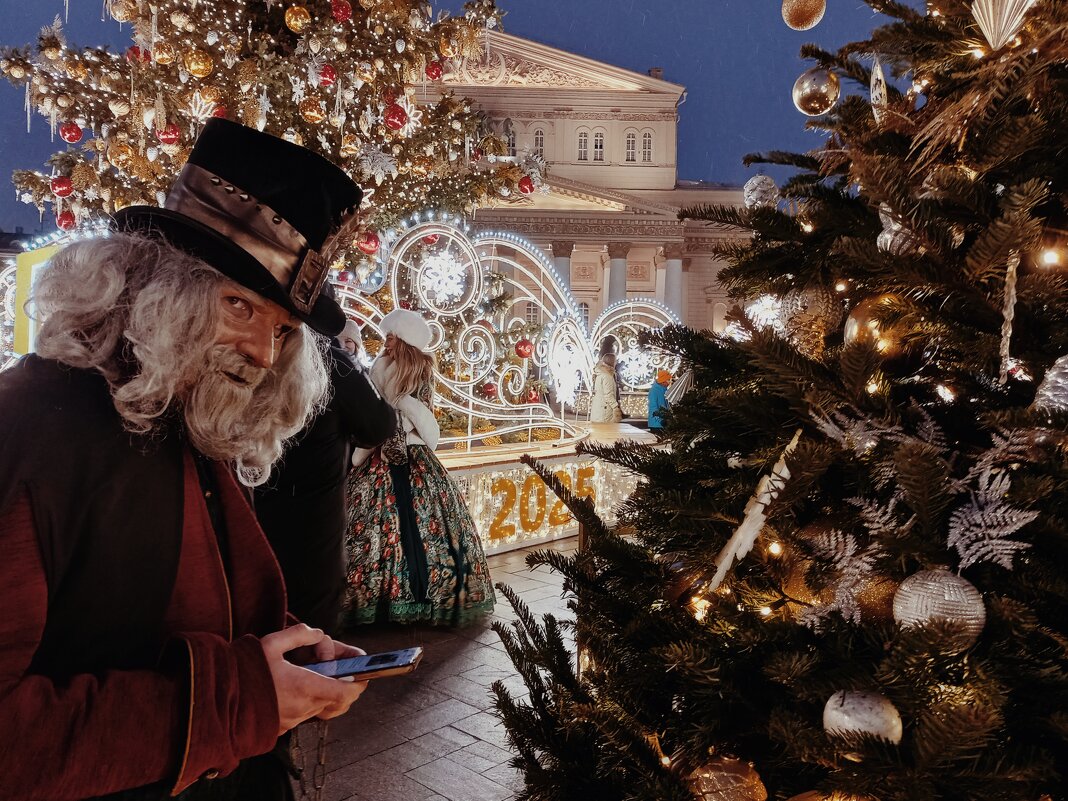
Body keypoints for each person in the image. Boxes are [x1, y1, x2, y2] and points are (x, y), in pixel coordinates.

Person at [0, 118, 370, 800]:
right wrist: (240, 699)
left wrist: (289, 654)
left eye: (282, 329)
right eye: (239, 305)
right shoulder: (30, 429)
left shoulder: (182, 408)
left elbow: (167, 611)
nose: (264, 353)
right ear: (158, 284)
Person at [344, 309, 495, 626]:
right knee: (371, 524)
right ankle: (375, 598)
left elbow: (425, 415)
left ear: (402, 340)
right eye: (386, 336)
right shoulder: (379, 367)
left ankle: (427, 596)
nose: (386, 342)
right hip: (380, 451)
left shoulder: (422, 368)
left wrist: (400, 401)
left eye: (391, 337)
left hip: (415, 451)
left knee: (428, 522)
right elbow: (373, 412)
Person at [254, 304, 396, 636]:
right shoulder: (327, 358)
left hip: (255, 507)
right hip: (309, 519)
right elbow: (378, 424)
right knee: (307, 631)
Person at [590, 352, 623, 423]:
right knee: (606, 431)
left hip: (598, 409)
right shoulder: (607, 376)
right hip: (605, 410)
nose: (616, 362)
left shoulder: (600, 374)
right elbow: (608, 395)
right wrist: (615, 407)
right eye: (615, 361)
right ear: (612, 362)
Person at [648, 369, 672, 433]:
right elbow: (653, 406)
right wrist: (660, 420)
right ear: (663, 381)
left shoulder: (664, 390)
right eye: (668, 380)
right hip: (656, 424)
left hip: (662, 423)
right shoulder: (654, 390)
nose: (669, 382)